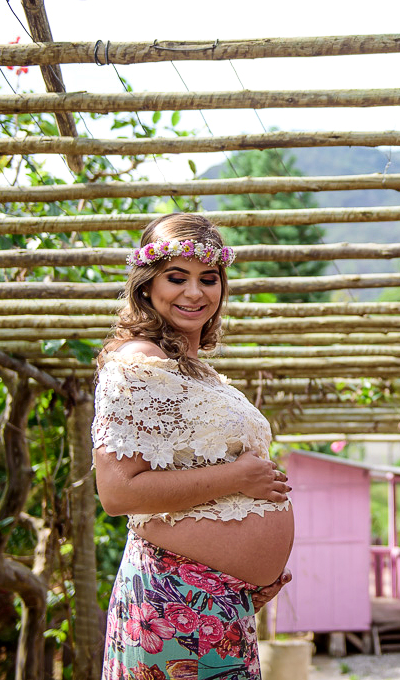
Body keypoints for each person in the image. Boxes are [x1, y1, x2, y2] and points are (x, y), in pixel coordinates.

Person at [92, 213, 296, 679]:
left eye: (209, 279)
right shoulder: (138, 361)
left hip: (216, 598)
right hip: (173, 595)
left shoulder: (192, 369)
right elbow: (118, 492)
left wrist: (246, 576)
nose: (194, 292)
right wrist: (240, 477)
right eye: (176, 277)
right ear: (146, 285)